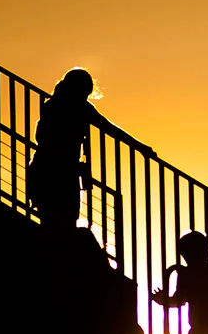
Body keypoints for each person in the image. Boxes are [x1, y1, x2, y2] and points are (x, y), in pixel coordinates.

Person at [26, 68, 158, 235]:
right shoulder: (68, 107)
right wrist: (140, 148)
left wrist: (140, 147)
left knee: (56, 221)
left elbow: (109, 128)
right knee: (60, 222)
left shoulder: (56, 106)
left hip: (53, 169)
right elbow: (110, 129)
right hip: (56, 171)